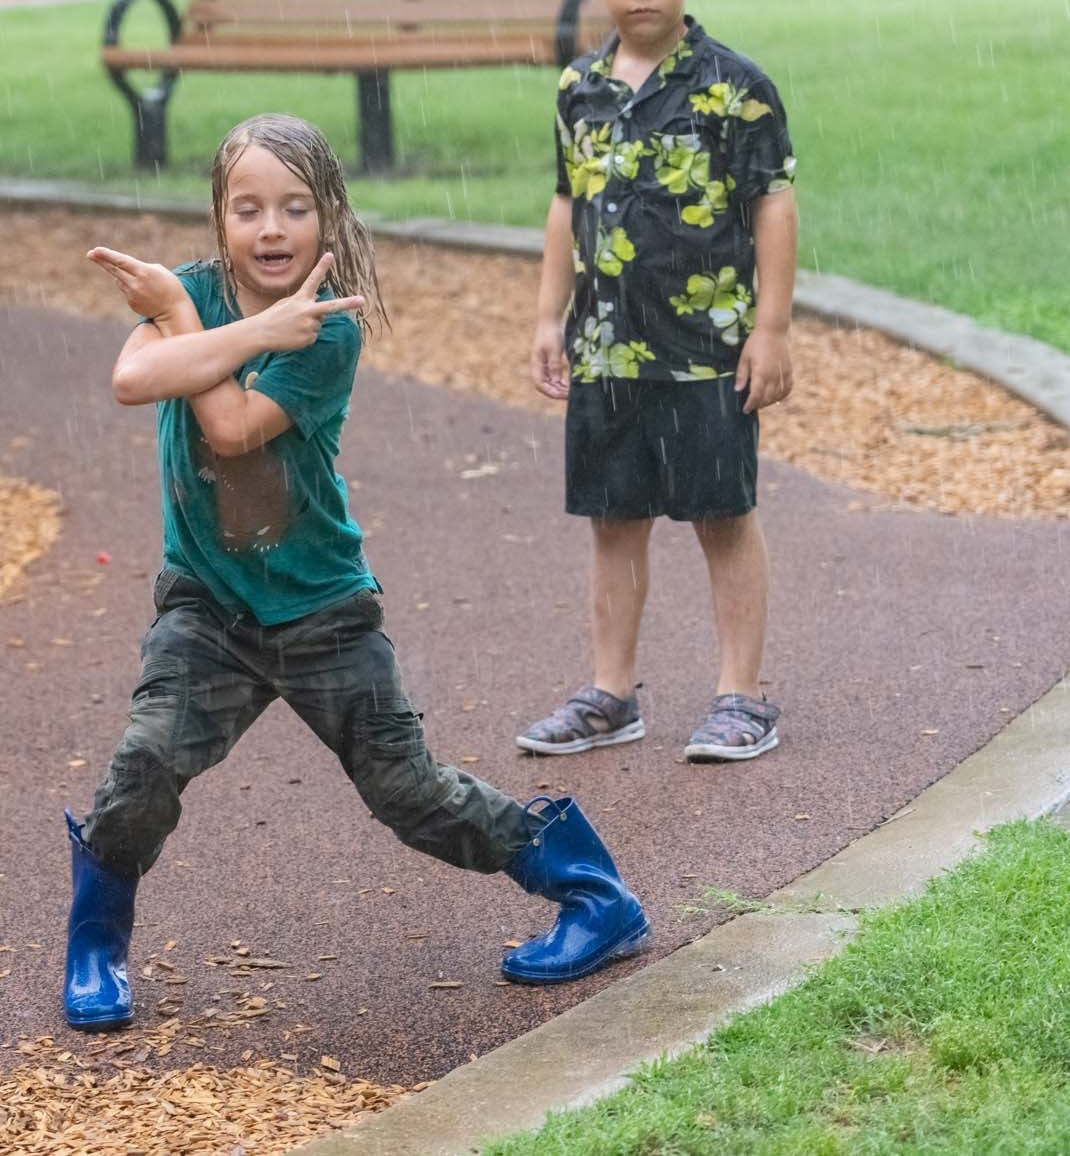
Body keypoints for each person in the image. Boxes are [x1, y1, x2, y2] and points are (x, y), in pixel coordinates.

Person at [63, 112, 647, 1032]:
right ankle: (96, 944)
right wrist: (190, 314)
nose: (271, 229)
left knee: (410, 793)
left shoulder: (327, 328)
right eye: (248, 209)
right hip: (207, 607)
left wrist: (184, 325)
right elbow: (133, 381)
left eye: (295, 208)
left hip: (322, 610)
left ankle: (595, 895)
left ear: (329, 215)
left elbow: (231, 427)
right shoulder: (194, 290)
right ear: (219, 217)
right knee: (143, 766)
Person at [519, 0, 799, 766]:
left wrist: (772, 329)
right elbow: (566, 203)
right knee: (614, 518)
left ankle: (741, 696)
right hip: (607, 349)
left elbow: (772, 205)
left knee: (724, 516)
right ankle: (611, 693)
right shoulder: (579, 88)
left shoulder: (735, 90)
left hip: (707, 351)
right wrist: (547, 318)